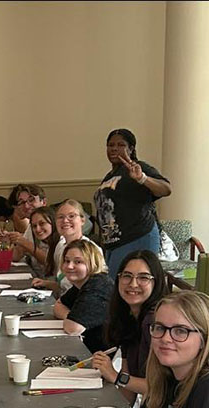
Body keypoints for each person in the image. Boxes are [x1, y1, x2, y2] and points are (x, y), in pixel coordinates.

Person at [91, 250, 171, 405]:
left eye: (143, 278)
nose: (133, 284)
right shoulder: (128, 318)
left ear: (157, 282)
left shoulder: (155, 323)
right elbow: (128, 391)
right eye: (127, 276)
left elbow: (163, 388)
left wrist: (115, 376)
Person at [93, 128, 172, 282]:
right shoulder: (109, 176)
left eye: (121, 145)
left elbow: (166, 189)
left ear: (131, 149)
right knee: (115, 287)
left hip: (137, 236)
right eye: (110, 145)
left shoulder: (138, 167)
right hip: (113, 243)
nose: (114, 148)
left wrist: (142, 178)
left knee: (130, 286)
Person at [52, 239, 112, 352]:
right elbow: (58, 305)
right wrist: (72, 316)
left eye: (78, 262)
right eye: (66, 261)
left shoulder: (98, 285)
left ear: (92, 263)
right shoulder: (81, 284)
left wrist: (73, 319)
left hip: (103, 357)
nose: (69, 266)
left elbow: (73, 328)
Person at [49, 200, 102, 293]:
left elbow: (96, 289)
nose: (65, 220)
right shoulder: (60, 245)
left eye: (71, 216)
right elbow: (63, 285)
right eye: (60, 217)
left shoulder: (92, 249)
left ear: (82, 220)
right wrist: (47, 284)